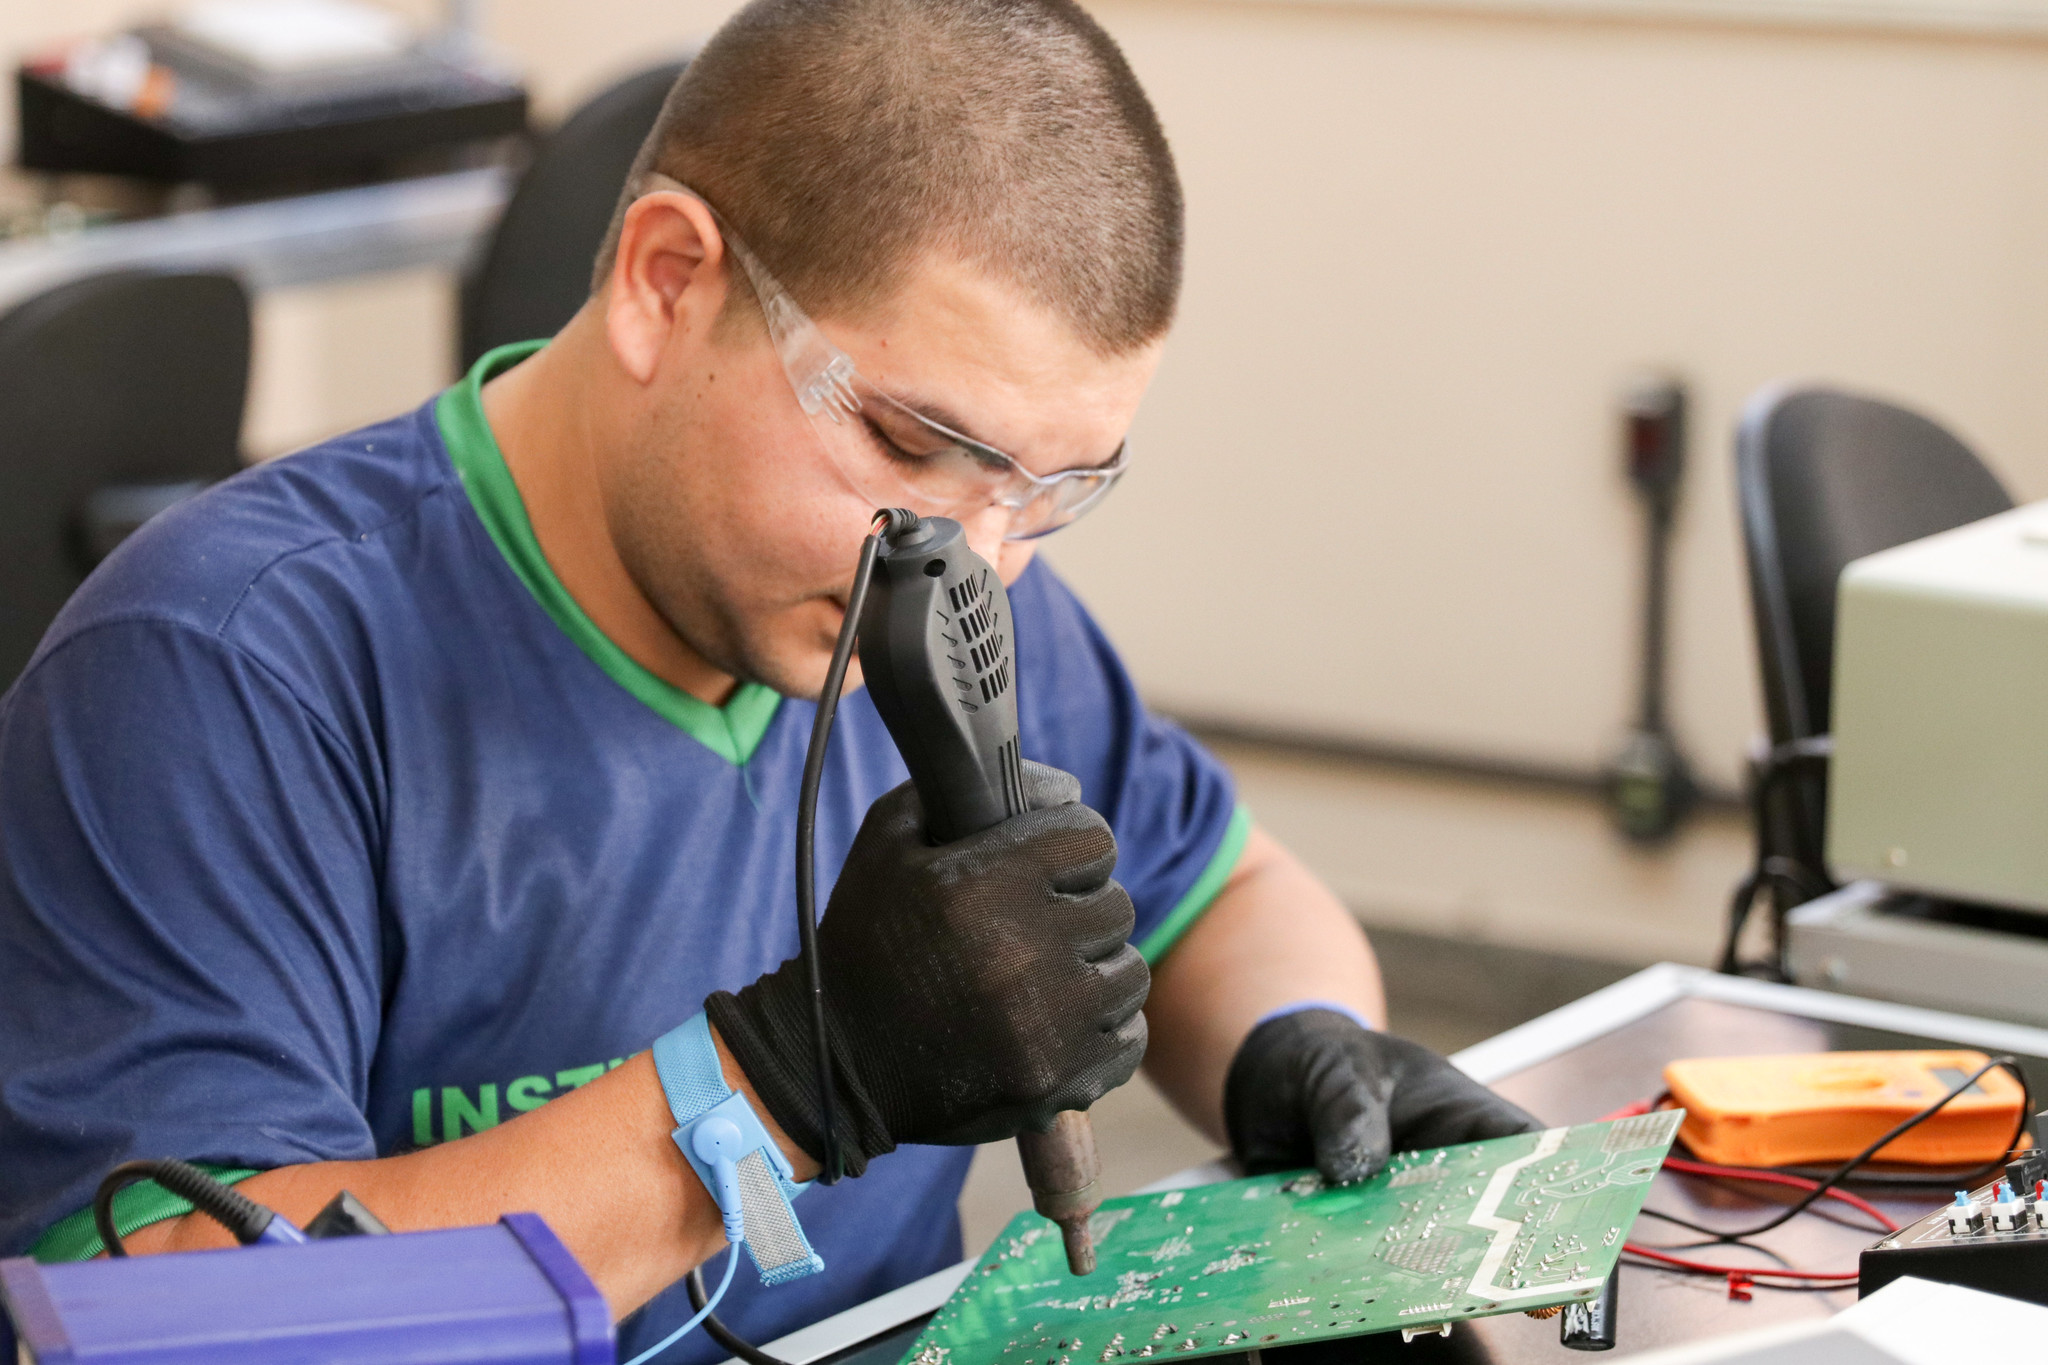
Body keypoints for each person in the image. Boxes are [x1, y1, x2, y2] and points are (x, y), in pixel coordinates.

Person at [0, 0, 1537, 1359]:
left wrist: (1301, 1044)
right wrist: (784, 1080)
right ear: (667, 281)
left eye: (1051, 488)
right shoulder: (226, 672)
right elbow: (184, 1328)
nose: (985, 561)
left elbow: (1230, 894)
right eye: (906, 443)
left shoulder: (955, 589)